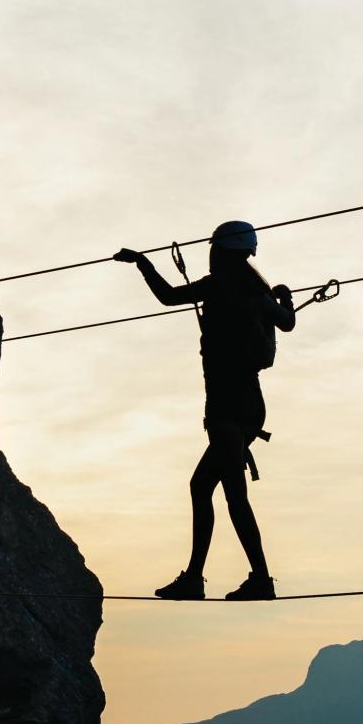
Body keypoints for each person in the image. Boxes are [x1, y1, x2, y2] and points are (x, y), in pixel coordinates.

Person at [115, 221, 296, 600]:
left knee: (232, 494)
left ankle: (256, 579)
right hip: (247, 404)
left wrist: (142, 263)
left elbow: (166, 296)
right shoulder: (257, 291)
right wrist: (285, 298)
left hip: (227, 406)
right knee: (203, 487)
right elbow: (288, 322)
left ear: (221, 250)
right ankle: (199, 577)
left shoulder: (219, 285)